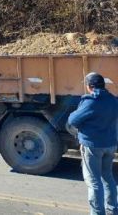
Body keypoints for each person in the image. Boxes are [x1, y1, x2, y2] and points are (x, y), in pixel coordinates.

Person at [68, 72, 118, 215]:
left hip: (93, 146)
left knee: (94, 181)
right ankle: (113, 209)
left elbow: (72, 120)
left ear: (90, 86)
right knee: (108, 177)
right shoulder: (113, 100)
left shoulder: (91, 101)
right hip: (110, 144)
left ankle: (97, 212)